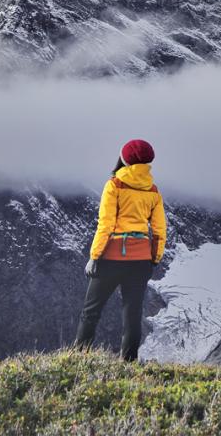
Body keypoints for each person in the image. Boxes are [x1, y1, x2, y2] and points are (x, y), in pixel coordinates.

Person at [74, 139, 167, 361]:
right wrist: (154, 258)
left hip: (111, 258)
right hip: (141, 260)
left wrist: (94, 256)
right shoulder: (153, 191)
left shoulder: (114, 185)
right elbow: (159, 229)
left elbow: (105, 224)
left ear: (124, 159)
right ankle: (128, 363)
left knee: (91, 311)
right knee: (133, 315)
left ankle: (78, 359)